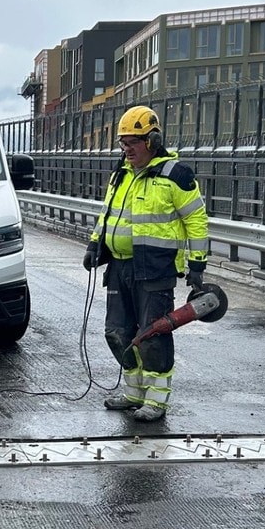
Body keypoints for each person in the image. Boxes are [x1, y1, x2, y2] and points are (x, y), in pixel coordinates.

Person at [83, 105, 210, 421]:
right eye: (123, 143)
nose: (127, 149)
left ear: (152, 141)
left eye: (133, 143)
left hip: (155, 269)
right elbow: (108, 213)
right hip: (120, 267)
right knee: (117, 331)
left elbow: (196, 219)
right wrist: (95, 243)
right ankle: (133, 393)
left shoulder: (175, 176)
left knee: (151, 334)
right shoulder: (121, 174)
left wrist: (197, 264)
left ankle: (155, 401)